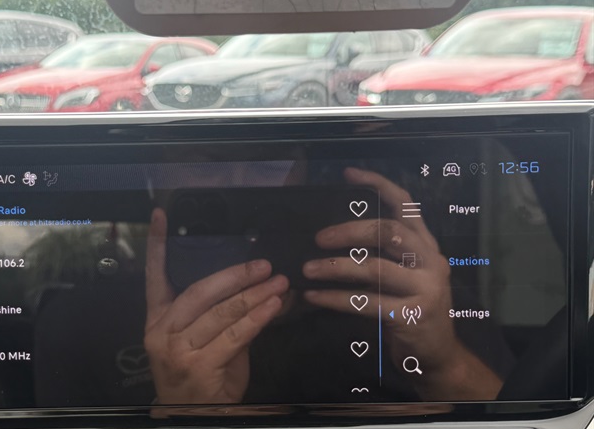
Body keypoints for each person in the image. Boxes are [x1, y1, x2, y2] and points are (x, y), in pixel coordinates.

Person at [144, 167, 506, 405]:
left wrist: (444, 366)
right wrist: (184, 411)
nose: (242, 182)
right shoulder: (127, 319)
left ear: (305, 171)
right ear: (154, 181)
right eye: (207, 160)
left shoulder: (404, 288)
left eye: (270, 160)